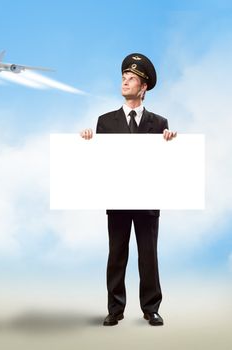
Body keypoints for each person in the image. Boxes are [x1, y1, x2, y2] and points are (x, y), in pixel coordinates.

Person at [80, 53, 177, 326]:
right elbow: (98, 163)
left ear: (143, 87)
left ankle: (151, 308)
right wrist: (88, 141)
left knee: (148, 256)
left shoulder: (159, 123)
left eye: (132, 78)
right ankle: (115, 309)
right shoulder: (105, 121)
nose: (125, 81)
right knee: (117, 255)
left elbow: (165, 165)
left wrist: (170, 143)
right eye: (123, 77)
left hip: (147, 201)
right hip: (118, 200)